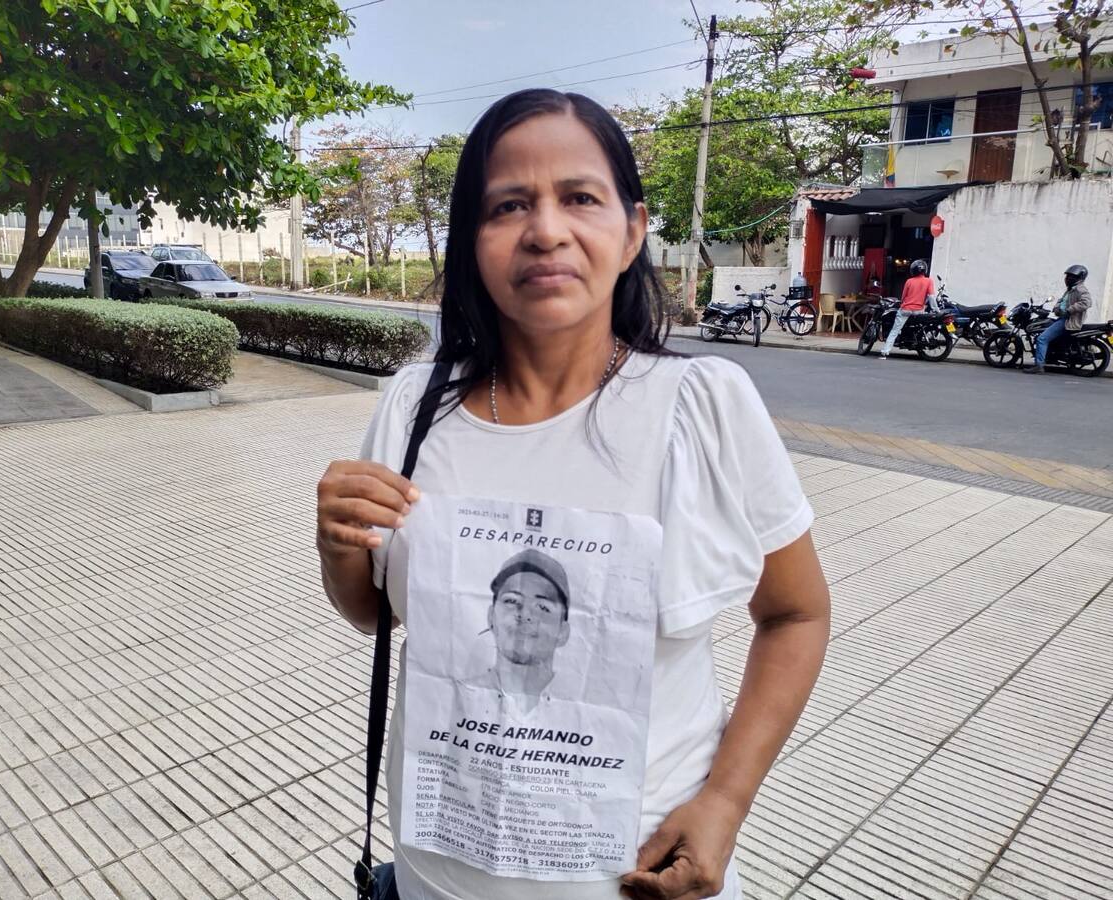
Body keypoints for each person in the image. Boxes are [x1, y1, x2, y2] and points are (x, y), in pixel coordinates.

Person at [317, 88, 831, 900]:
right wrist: (338, 547)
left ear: (631, 230)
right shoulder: (415, 407)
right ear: (471, 243)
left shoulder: (701, 407)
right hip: (434, 877)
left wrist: (727, 802)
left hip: (634, 881)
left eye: (580, 198)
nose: (546, 229)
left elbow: (795, 614)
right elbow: (380, 613)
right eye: (508, 204)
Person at [473, 549, 571, 714]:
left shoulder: (585, 712)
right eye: (512, 600)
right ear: (491, 617)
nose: (524, 614)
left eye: (542, 607)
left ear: (563, 632)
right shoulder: (454, 698)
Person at [1025, 264, 1092, 374]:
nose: (1067, 279)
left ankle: (1039, 366)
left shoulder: (1080, 289)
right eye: (1067, 276)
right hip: (1062, 318)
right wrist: (1056, 308)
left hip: (1067, 320)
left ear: (1079, 278)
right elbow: (1061, 301)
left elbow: (1086, 303)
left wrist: (1070, 309)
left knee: (1042, 339)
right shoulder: (1070, 290)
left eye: (1071, 276)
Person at [879, 258, 933, 359]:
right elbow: (931, 297)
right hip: (918, 311)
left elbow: (903, 297)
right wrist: (935, 309)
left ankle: (885, 352)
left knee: (895, 330)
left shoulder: (909, 281)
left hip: (906, 309)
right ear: (925, 270)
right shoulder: (929, 281)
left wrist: (902, 303)